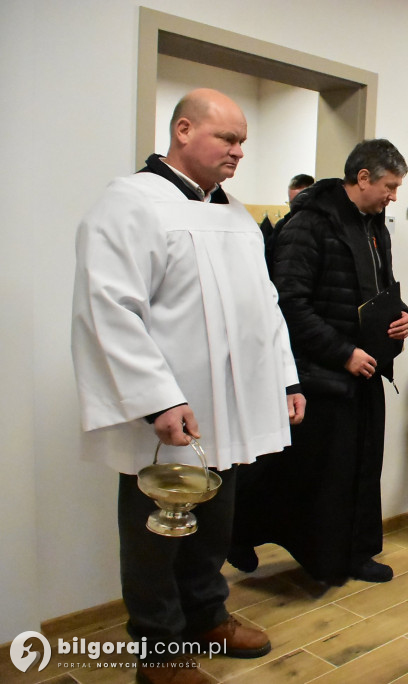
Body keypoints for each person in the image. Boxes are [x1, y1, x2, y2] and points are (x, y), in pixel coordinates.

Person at [71, 89, 306, 684]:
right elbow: (109, 307)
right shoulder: (130, 203)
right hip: (168, 414)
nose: (239, 152)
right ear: (182, 130)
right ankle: (158, 651)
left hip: (226, 409)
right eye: (228, 139)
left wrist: (284, 378)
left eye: (243, 142)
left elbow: (266, 306)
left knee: (215, 522)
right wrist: (158, 396)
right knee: (157, 532)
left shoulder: (233, 214)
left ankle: (207, 615)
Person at [230, 139, 408, 586]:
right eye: (389, 185)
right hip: (320, 372)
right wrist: (342, 352)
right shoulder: (307, 225)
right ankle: (239, 533)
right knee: (311, 476)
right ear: (363, 177)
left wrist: (404, 317)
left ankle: (354, 554)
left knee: (360, 469)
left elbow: (382, 288)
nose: (394, 195)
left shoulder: (376, 227)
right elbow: (288, 304)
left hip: (366, 369)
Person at [263, 173, 315, 272]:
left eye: (299, 201)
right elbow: (270, 260)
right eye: (291, 203)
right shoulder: (282, 226)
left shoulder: (323, 227)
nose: (294, 207)